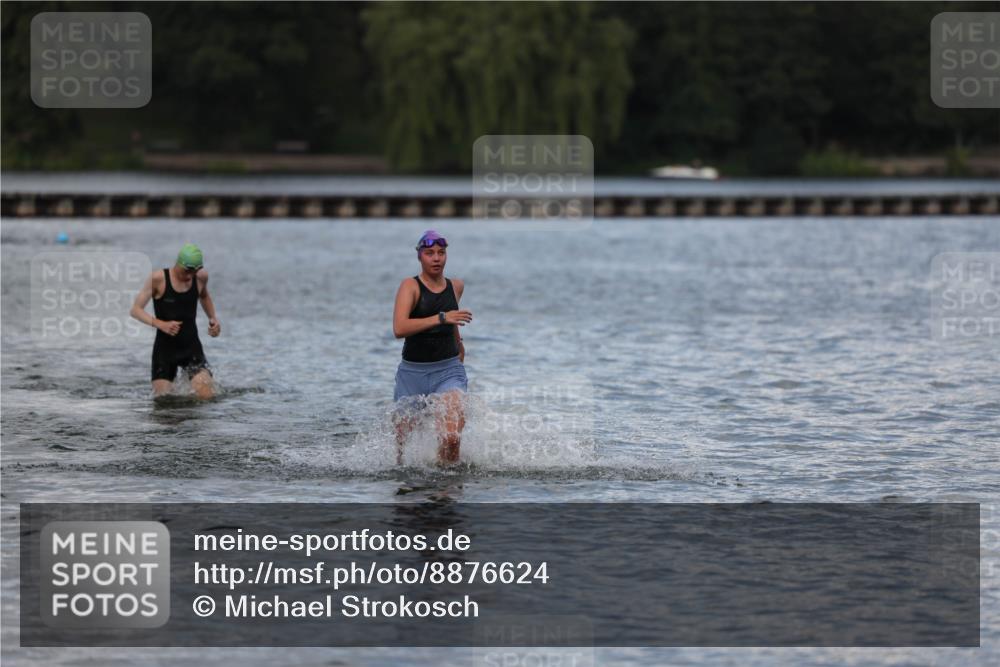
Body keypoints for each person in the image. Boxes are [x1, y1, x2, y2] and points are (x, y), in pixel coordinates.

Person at [392, 230, 472, 465]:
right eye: (430, 253)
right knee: (401, 449)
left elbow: (452, 317)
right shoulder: (410, 286)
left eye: (441, 253)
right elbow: (399, 328)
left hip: (448, 371)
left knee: (451, 436)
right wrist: (441, 318)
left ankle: (446, 487)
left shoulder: (455, 286)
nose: (436, 258)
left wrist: (459, 342)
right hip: (412, 374)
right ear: (420, 257)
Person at [130, 243, 221, 399]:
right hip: (165, 351)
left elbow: (204, 296)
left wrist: (213, 319)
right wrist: (160, 324)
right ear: (178, 263)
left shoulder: (200, 277)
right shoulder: (158, 279)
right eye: (187, 271)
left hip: (191, 348)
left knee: (207, 397)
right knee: (163, 402)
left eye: (194, 271)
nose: (190, 276)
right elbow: (135, 310)